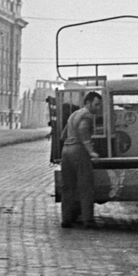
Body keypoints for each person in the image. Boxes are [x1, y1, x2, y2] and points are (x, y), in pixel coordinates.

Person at [60, 90, 103, 228]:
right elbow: (83, 131)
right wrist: (91, 152)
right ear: (88, 103)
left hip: (65, 151)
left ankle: (66, 220)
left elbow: (63, 135)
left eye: (99, 105)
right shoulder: (87, 115)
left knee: (67, 188)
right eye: (96, 105)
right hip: (78, 151)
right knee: (86, 187)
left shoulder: (74, 114)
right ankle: (88, 221)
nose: (98, 108)